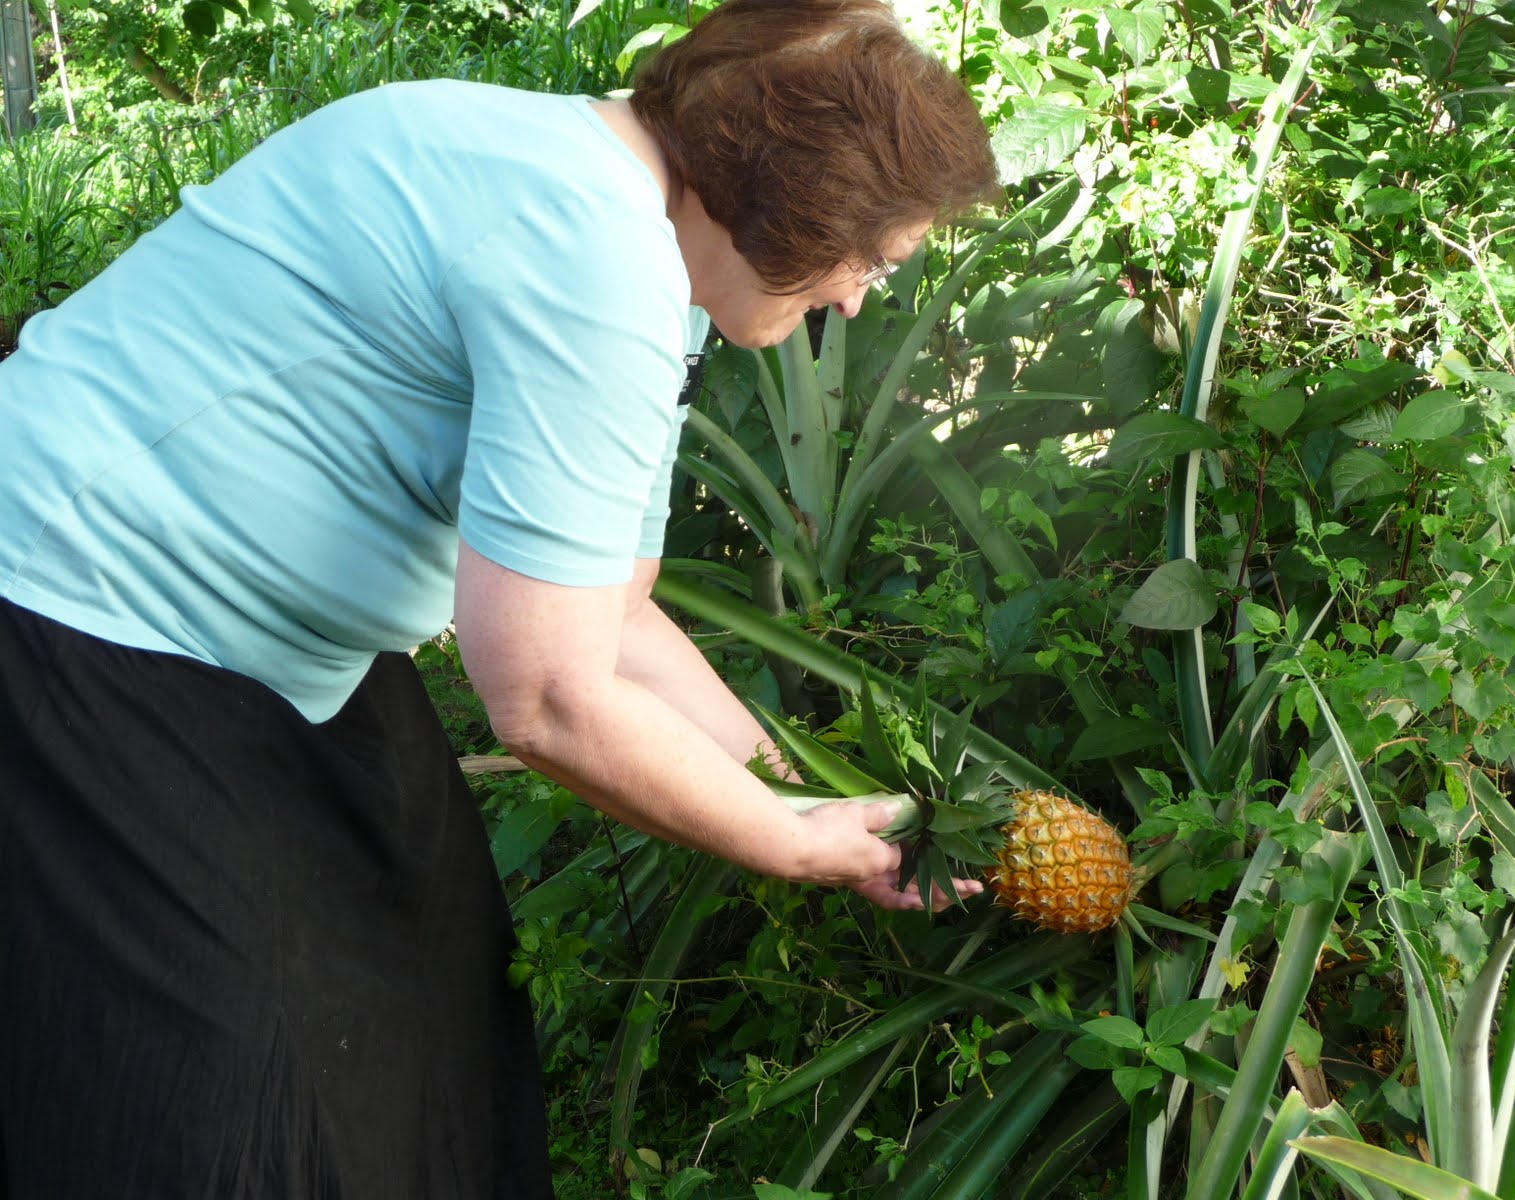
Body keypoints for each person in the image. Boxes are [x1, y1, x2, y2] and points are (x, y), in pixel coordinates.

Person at [0, 0, 998, 1195]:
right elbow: (548, 701)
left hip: (267, 652)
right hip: (72, 608)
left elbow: (611, 614)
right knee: (218, 1079)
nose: (854, 301)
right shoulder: (588, 255)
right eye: (868, 260)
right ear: (796, 198)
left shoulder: (635, 240)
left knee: (425, 979)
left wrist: (798, 778)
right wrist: (786, 845)